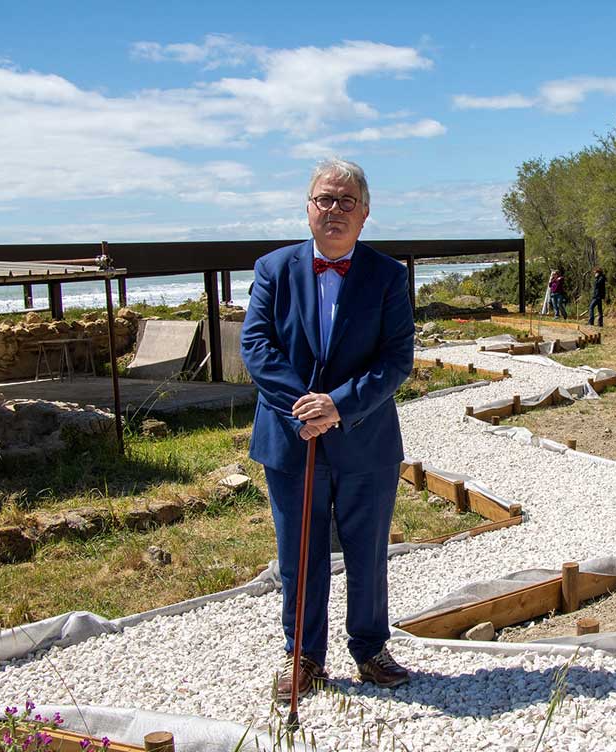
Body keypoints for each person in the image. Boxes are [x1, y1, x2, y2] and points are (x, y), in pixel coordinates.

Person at [240, 158, 414, 702]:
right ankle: (304, 657)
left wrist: (337, 405)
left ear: (364, 213)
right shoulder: (272, 269)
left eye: (345, 202)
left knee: (368, 553)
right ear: (307, 208)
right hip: (291, 442)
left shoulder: (388, 276)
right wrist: (305, 407)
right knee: (299, 555)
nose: (333, 210)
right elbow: (256, 346)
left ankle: (369, 648)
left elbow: (396, 360)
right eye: (324, 200)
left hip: (366, 440)